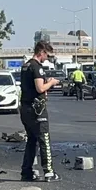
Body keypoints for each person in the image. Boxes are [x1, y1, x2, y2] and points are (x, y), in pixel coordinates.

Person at [19, 41, 61, 182]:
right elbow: (40, 88)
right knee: (44, 140)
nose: (47, 58)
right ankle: (49, 172)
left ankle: (26, 172)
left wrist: (45, 82)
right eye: (46, 55)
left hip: (25, 109)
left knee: (31, 140)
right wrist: (51, 82)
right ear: (41, 52)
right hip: (37, 110)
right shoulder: (37, 67)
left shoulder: (25, 66)